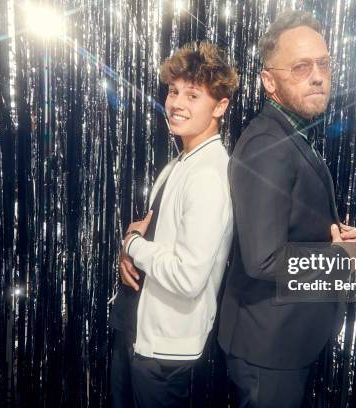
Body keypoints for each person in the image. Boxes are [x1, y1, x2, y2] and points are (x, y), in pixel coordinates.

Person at [217, 10, 356, 408]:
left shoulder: (290, 131)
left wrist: (332, 234)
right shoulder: (268, 143)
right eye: (300, 67)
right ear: (269, 81)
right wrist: (337, 259)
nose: (317, 75)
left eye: (324, 63)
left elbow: (290, 223)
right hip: (269, 348)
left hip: (285, 340)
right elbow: (263, 259)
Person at [109, 42, 238, 407]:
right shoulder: (181, 162)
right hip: (137, 329)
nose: (177, 103)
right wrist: (130, 251)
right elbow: (151, 236)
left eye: (193, 95)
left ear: (220, 107)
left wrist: (132, 245)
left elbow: (187, 276)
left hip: (164, 351)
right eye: (173, 91)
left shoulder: (208, 176)